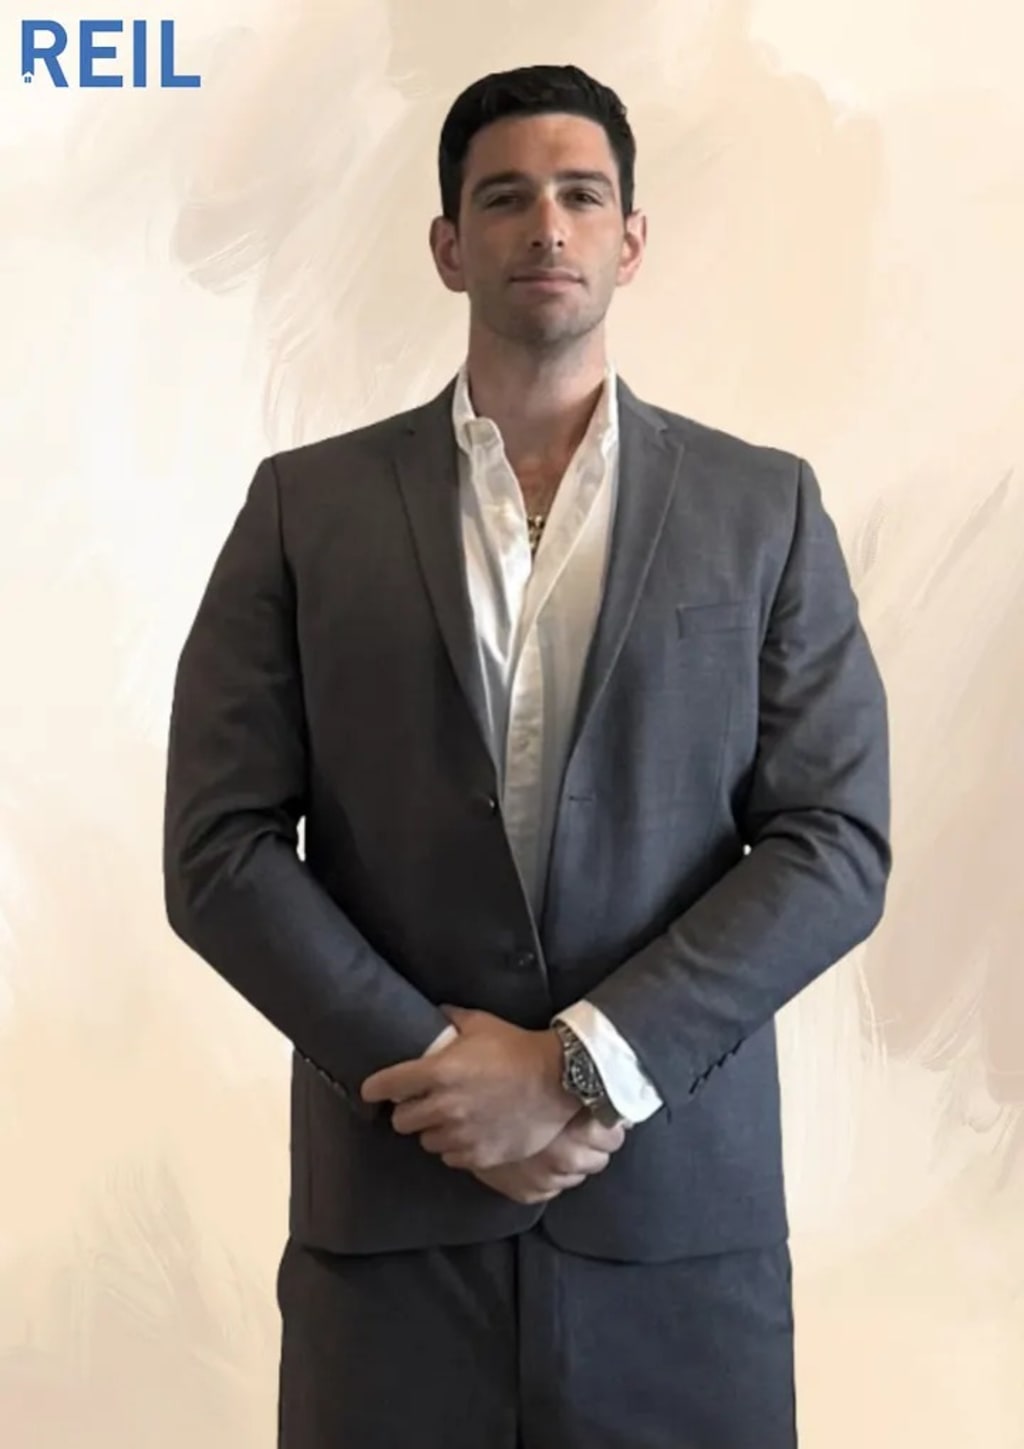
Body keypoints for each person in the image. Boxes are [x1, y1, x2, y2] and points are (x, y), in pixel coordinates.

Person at [163, 62, 891, 1449]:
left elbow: (834, 842)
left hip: (680, 1248)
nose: (546, 224)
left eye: (580, 194)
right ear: (449, 247)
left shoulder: (765, 510)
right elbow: (219, 850)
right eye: (503, 198)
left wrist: (577, 1067)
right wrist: (441, 1069)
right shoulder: (305, 510)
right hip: (393, 1241)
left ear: (631, 239)